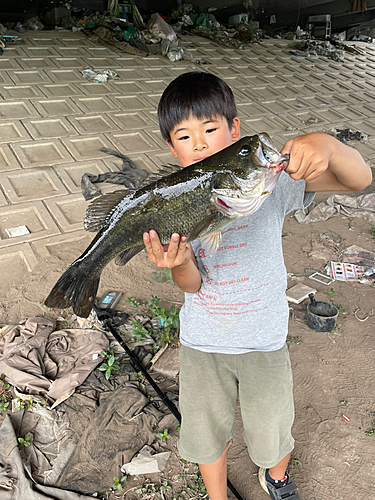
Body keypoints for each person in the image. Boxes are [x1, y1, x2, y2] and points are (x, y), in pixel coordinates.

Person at [142, 72, 372, 500]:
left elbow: (358, 181)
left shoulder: (273, 183)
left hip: (264, 341)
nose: (201, 143)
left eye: (211, 130)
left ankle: (277, 478)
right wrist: (181, 262)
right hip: (203, 343)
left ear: (234, 130)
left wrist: (329, 145)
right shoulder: (182, 203)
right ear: (172, 150)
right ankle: (217, 495)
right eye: (185, 136)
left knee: (272, 426)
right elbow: (191, 286)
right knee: (208, 433)